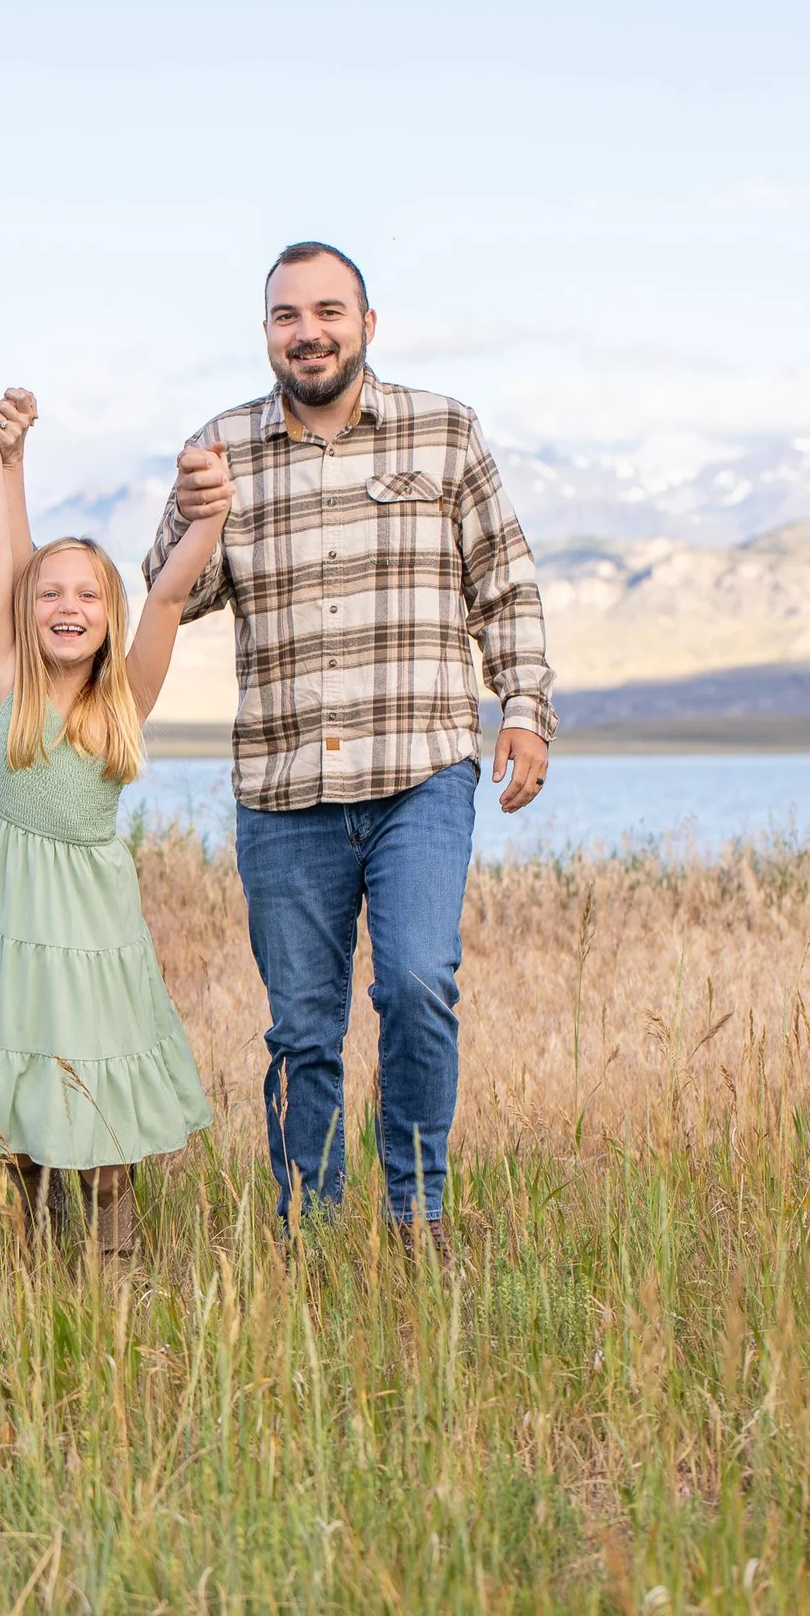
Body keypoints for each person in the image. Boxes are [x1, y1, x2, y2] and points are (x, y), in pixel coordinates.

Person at [142, 242, 558, 1255]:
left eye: (329, 310)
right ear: (267, 334)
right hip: (284, 791)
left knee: (417, 981)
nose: (308, 330)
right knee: (301, 1029)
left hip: (420, 768)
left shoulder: (444, 431)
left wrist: (525, 707)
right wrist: (198, 514)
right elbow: (168, 591)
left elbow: (503, 582)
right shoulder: (220, 446)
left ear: (369, 324)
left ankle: (417, 1216)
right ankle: (310, 1235)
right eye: (287, 315)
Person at [0, 387, 221, 1258]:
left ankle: (114, 1260)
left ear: (106, 617)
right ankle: (35, 1243)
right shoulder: (0, 685)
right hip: (17, 935)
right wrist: (0, 448)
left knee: (97, 1121)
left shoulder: (119, 705)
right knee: (22, 1120)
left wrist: (208, 517)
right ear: (28, 609)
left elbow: (168, 599)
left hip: (97, 940)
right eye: (51, 591)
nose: (66, 605)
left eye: (87, 595)